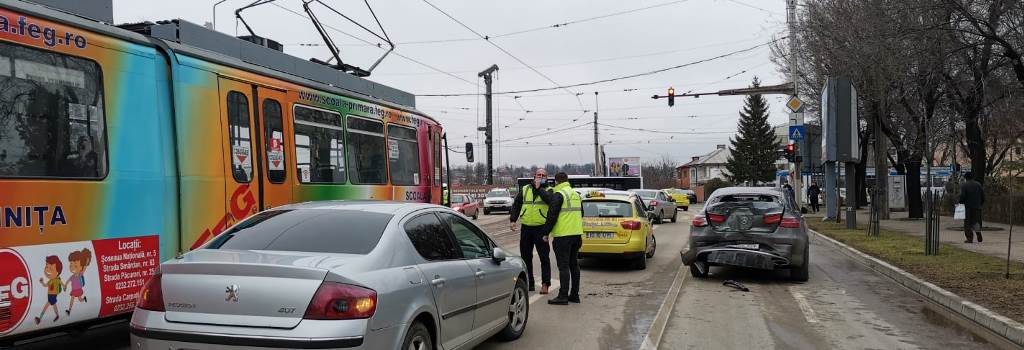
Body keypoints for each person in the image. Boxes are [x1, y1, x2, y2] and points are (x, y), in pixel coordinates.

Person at [536, 172, 583, 305]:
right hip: (576, 235)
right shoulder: (576, 194)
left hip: (563, 236)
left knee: (563, 267)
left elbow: (552, 216)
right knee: (574, 265)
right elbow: (582, 213)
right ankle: (574, 295)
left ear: (556, 182)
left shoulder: (559, 194)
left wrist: (545, 233)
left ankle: (563, 296)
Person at [509, 169, 552, 294]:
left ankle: (545, 284)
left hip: (541, 228)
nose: (541, 177)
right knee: (526, 257)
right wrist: (513, 220)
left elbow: (549, 200)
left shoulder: (549, 190)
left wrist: (539, 188)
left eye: (543, 175)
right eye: (539, 175)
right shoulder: (526, 189)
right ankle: (530, 283)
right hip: (526, 228)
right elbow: (517, 204)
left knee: (544, 257)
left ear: (547, 178)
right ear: (534, 176)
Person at [959, 172, 985, 243]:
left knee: (967, 223)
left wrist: (960, 202)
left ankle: (969, 238)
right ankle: (978, 233)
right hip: (977, 207)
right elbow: (982, 196)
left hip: (967, 207)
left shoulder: (964, 185)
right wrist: (980, 204)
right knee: (976, 222)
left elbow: (962, 196)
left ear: (965, 178)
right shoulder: (978, 184)